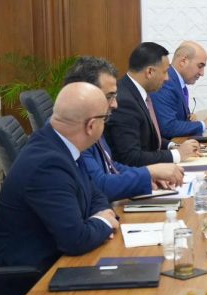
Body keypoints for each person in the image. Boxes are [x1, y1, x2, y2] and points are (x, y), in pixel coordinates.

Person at [0, 82, 118, 295]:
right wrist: (105, 222)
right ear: (91, 126)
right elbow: (76, 239)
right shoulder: (48, 165)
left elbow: (95, 193)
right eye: (105, 118)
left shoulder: (60, 144)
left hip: (57, 267)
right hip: (31, 289)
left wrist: (100, 216)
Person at [65, 56, 185, 201]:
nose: (115, 104)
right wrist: (148, 172)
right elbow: (100, 186)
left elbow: (111, 166)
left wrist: (149, 176)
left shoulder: (93, 120)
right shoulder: (73, 132)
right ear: (84, 95)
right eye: (109, 96)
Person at [105, 42, 200, 167]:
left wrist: (173, 146)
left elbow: (148, 138)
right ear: (149, 72)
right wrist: (177, 154)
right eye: (165, 72)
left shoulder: (137, 92)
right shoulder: (124, 101)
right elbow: (131, 157)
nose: (167, 78)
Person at [151, 41, 207, 138]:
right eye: (200, 66)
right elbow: (168, 127)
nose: (202, 73)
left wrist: (188, 119)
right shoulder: (166, 82)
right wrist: (204, 124)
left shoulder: (176, 81)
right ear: (183, 61)